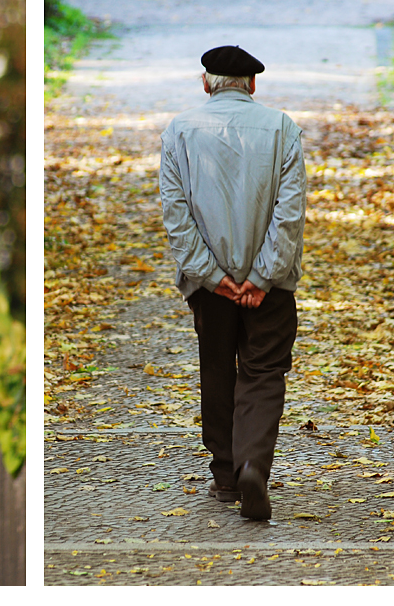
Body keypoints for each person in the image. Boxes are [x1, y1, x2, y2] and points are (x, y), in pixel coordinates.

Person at [158, 45, 307, 520]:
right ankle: (252, 467)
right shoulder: (282, 128)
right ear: (253, 85)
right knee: (264, 373)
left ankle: (226, 475)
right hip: (272, 286)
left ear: (206, 83)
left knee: (218, 368)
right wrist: (263, 276)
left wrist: (212, 276)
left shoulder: (179, 130)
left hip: (210, 286)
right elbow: (290, 214)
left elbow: (176, 215)